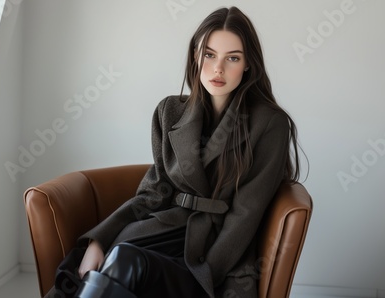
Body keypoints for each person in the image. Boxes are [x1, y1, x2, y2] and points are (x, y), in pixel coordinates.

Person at [46, 6, 303, 298]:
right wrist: (99, 241)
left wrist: (206, 275)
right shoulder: (169, 111)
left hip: (216, 253)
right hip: (162, 233)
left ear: (247, 64)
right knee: (92, 266)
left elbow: (246, 214)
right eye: (209, 54)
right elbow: (153, 192)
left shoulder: (269, 123)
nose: (218, 68)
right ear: (196, 56)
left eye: (232, 58)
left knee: (124, 264)